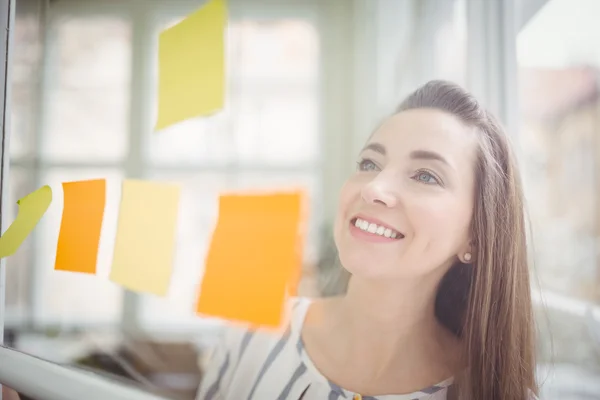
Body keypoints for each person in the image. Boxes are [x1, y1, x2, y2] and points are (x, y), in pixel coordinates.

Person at [196, 80, 538, 400]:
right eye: (369, 163)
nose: (374, 188)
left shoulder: (490, 391)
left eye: (425, 175)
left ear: (476, 237)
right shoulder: (252, 334)